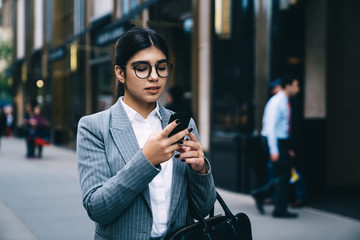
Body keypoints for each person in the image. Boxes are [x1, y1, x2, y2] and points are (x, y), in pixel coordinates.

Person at [76, 27, 216, 240]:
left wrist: (200, 169)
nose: (154, 77)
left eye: (161, 68)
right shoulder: (94, 127)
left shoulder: (180, 124)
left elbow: (203, 209)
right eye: (142, 68)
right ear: (120, 73)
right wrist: (146, 160)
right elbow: (98, 209)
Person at [251, 75, 300, 218]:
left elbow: (283, 127)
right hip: (273, 141)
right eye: (296, 85)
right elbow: (271, 128)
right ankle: (279, 209)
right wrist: (274, 150)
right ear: (288, 86)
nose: (298, 89)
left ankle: (261, 194)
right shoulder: (276, 102)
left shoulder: (285, 101)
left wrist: (288, 147)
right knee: (283, 175)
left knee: (283, 175)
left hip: (282, 142)